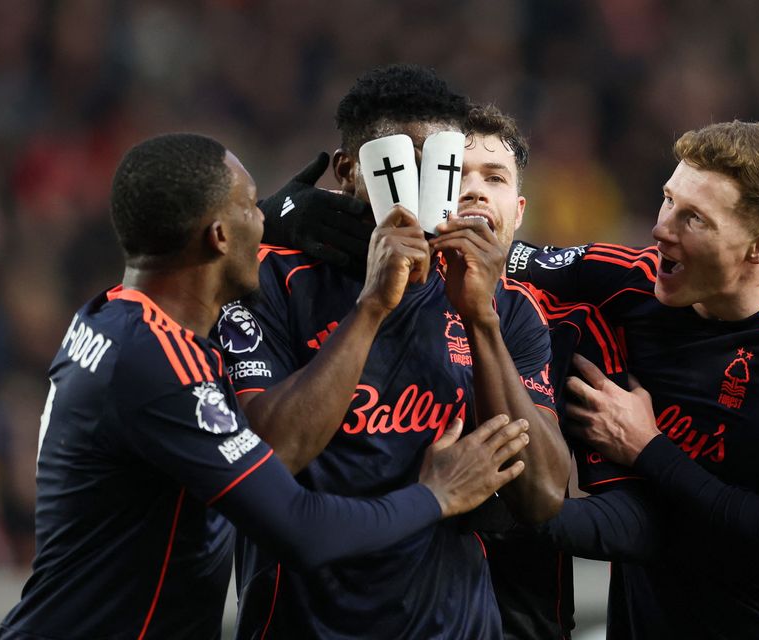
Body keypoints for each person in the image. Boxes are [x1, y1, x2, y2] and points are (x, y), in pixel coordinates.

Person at [0, 133, 533, 639]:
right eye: (253, 207)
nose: (269, 220)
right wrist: (436, 496)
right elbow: (300, 528)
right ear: (219, 236)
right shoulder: (160, 362)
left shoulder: (107, 318)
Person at [218, 65, 569, 639]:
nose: (426, 183)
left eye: (441, 165)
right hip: (303, 626)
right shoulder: (270, 283)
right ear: (348, 172)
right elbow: (270, 457)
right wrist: (372, 306)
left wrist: (480, 320)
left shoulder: (505, 308)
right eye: (404, 162)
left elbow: (543, 495)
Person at [507, 120, 759, 638]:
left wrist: (648, 447)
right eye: (669, 200)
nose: (662, 228)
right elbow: (489, 255)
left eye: (694, 219)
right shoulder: (633, 280)